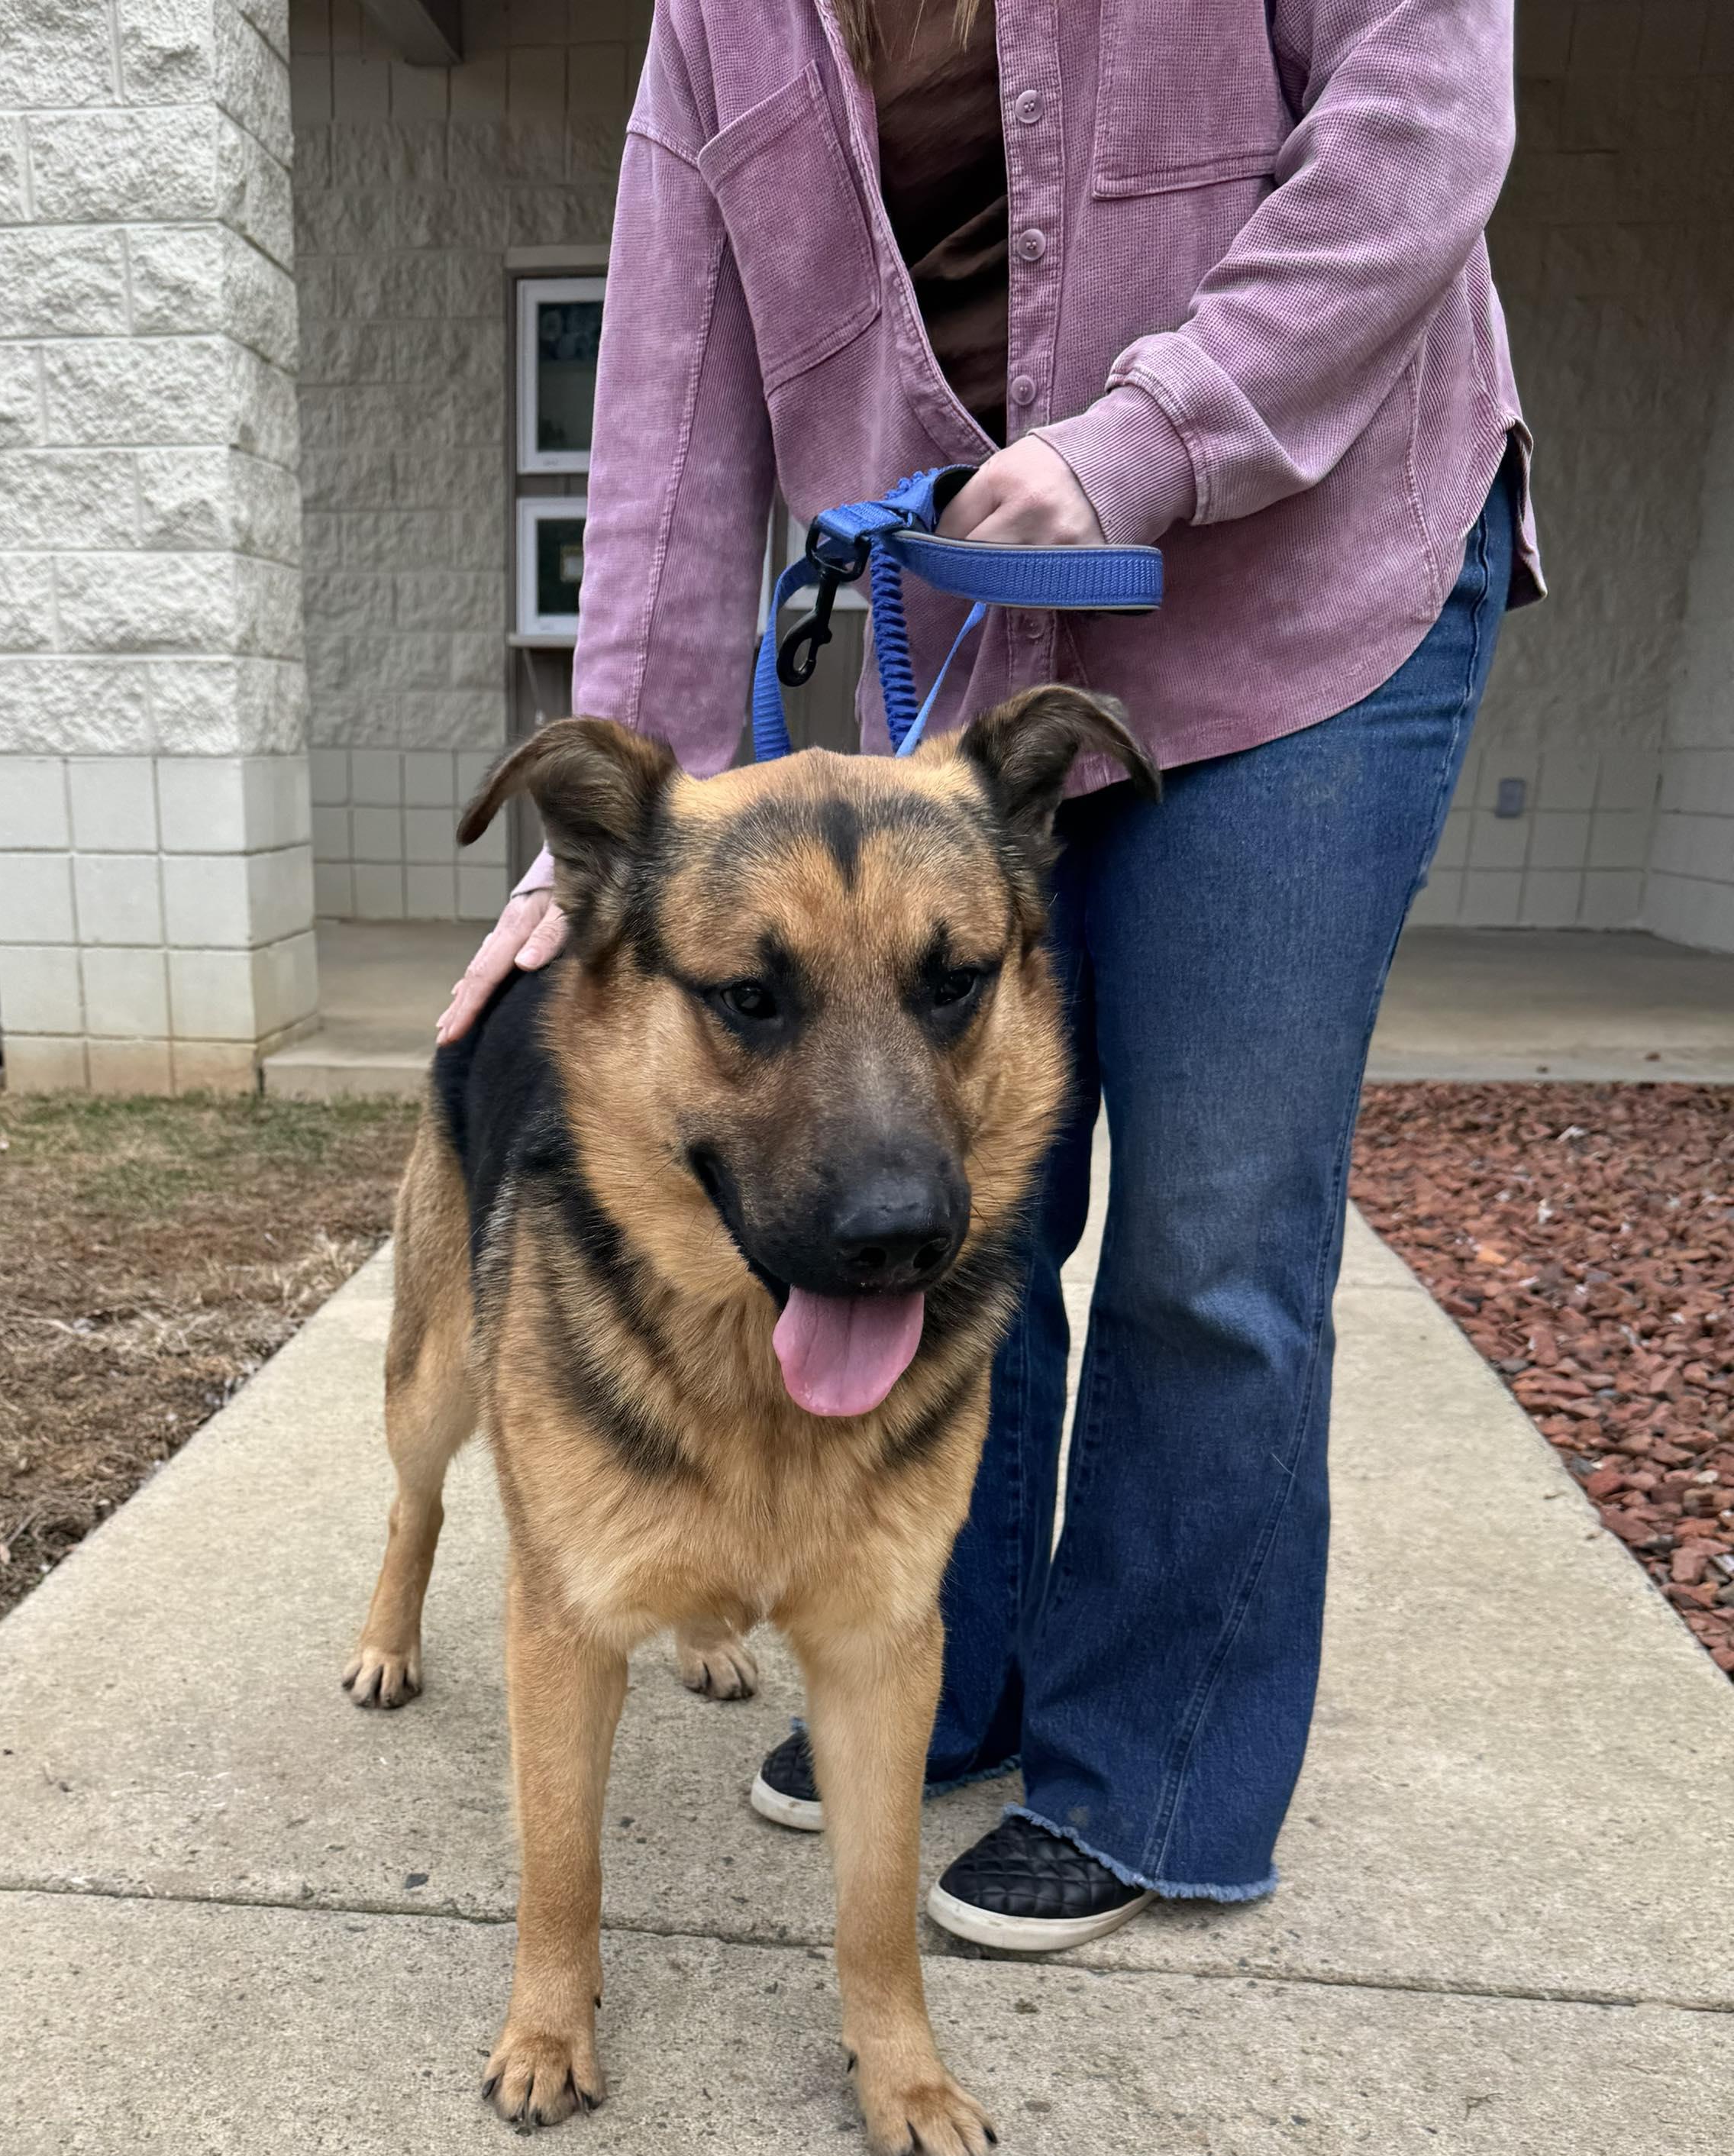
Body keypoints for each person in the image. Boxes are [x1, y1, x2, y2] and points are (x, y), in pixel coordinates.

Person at [436, 0, 1534, 1954]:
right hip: (976, 635)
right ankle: (947, 1672)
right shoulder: (722, 23)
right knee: (920, 1193)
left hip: (1307, 588)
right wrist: (598, 870)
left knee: (1210, 1227)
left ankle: (1157, 1780)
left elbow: (1424, 122)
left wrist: (1156, 437)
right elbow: (677, 431)